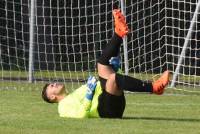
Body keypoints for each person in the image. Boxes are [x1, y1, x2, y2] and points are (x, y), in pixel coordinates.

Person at [41, 9, 170, 118]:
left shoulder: (75, 93)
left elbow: (103, 85)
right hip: (106, 111)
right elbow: (81, 115)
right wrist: (88, 95)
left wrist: (114, 69)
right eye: (52, 86)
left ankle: (119, 33)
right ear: (52, 97)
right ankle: (153, 87)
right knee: (112, 78)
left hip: (108, 101)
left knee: (102, 64)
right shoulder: (62, 108)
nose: (55, 83)